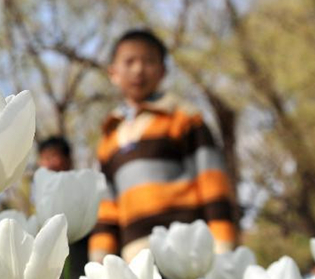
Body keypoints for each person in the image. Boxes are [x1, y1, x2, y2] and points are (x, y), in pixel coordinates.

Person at [89, 29, 236, 264]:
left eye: (149, 61)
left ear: (163, 71)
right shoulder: (109, 137)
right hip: (136, 257)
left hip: (186, 250)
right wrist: (99, 261)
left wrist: (222, 248)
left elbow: (212, 182)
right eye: (129, 62)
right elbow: (107, 206)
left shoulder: (184, 118)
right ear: (113, 73)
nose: (138, 69)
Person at [36, 137, 103, 279]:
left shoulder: (82, 186)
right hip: (57, 278)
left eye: (54, 156)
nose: (49, 163)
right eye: (44, 158)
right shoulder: (41, 189)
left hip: (85, 271)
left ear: (68, 159)